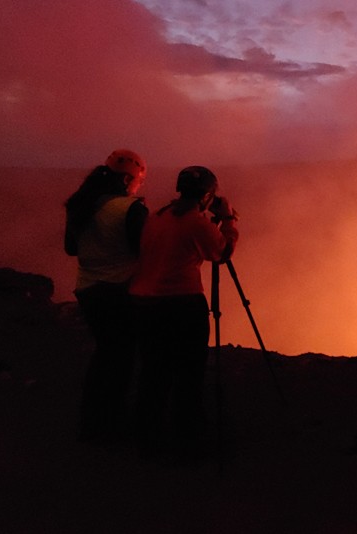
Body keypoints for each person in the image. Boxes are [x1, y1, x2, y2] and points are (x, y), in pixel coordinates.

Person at [129, 165, 238, 461]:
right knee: (188, 373)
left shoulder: (157, 217)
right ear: (207, 195)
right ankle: (185, 439)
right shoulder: (195, 223)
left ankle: (146, 438)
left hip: (145, 303)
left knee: (154, 372)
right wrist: (227, 219)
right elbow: (222, 253)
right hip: (180, 303)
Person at [63, 149, 148, 443]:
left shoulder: (81, 205)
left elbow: (72, 249)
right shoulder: (130, 209)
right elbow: (147, 252)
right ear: (127, 178)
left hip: (88, 291)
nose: (138, 187)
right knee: (122, 359)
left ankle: (91, 422)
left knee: (104, 355)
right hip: (120, 293)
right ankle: (111, 427)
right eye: (138, 181)